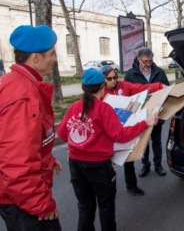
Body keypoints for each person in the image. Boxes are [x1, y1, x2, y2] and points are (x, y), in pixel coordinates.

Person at [57, 68, 158, 231]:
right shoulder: (103, 108)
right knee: (106, 207)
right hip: (98, 167)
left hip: (76, 165)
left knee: (85, 206)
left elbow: (62, 134)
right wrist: (145, 123)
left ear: (83, 87)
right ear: (102, 87)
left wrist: (80, 143)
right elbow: (121, 135)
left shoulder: (74, 107)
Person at [0, 25, 62, 230]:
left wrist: (46, 157)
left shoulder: (14, 83)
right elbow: (17, 164)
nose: (54, 59)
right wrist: (43, 205)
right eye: (52, 54)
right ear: (36, 58)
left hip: (18, 197)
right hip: (24, 203)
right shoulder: (24, 96)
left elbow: (23, 141)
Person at [100, 65, 165, 195]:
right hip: (107, 133)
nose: (113, 81)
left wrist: (159, 86)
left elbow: (140, 88)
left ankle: (131, 186)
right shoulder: (100, 92)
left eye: (115, 78)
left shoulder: (123, 86)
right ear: (103, 80)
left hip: (124, 130)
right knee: (106, 164)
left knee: (127, 159)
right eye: (109, 78)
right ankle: (106, 190)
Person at [125, 48, 170, 178]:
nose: (148, 64)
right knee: (144, 142)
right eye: (145, 61)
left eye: (150, 61)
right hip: (140, 114)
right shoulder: (131, 74)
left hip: (157, 112)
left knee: (156, 141)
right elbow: (128, 95)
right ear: (139, 60)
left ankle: (158, 165)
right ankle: (146, 165)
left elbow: (167, 89)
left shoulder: (159, 72)